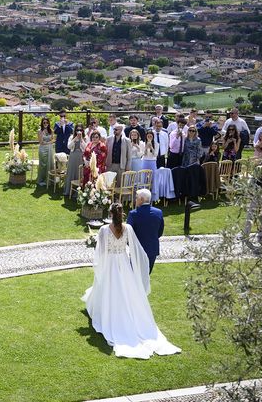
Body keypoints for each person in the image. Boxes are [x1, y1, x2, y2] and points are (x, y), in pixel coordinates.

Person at [82, 202, 181, 359]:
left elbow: (100, 252)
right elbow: (135, 249)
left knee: (108, 288)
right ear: (121, 214)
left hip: (110, 264)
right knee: (126, 290)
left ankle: (110, 314)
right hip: (123, 264)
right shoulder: (128, 228)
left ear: (110, 214)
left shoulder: (103, 230)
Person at [127, 189, 164, 273]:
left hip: (137, 250)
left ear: (141, 199)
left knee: (134, 276)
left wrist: (131, 245)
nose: (135, 200)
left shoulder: (133, 214)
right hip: (152, 249)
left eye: (136, 198)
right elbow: (160, 231)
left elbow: (128, 234)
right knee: (146, 276)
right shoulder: (159, 212)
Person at [64, 124, 86, 196]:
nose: (79, 131)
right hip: (73, 156)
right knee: (71, 172)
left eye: (80, 130)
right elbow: (69, 146)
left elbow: (86, 148)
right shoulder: (71, 137)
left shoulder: (85, 138)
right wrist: (75, 138)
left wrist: (81, 139)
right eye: (77, 130)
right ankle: (69, 190)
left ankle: (78, 192)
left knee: (79, 173)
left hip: (81, 156)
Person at [37, 117, 54, 187]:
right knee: (43, 165)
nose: (45, 124)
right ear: (42, 123)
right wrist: (49, 142)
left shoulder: (51, 130)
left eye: (47, 122)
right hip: (42, 149)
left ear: (48, 123)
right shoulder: (40, 131)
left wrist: (48, 142)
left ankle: (49, 179)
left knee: (50, 164)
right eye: (44, 122)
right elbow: (41, 142)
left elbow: (53, 140)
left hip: (50, 149)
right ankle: (41, 180)